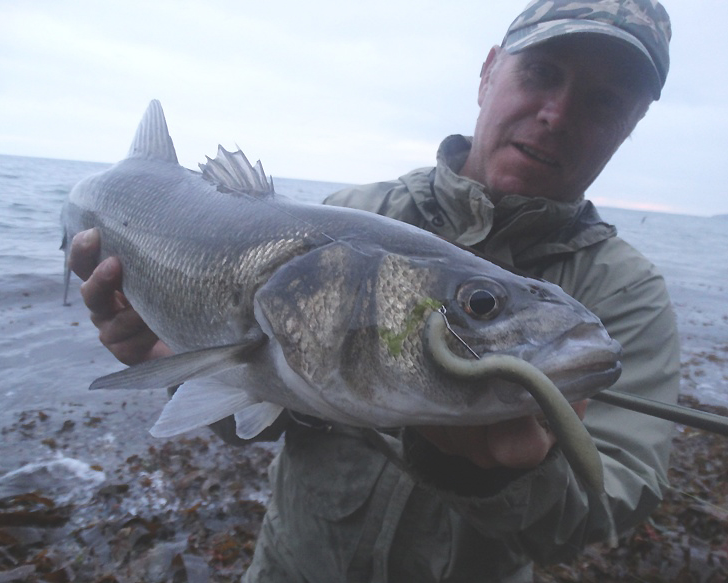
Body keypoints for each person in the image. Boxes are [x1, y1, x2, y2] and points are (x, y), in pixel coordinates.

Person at [69, 1, 680, 580]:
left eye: (603, 101)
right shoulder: (352, 214)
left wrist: (507, 477)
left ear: (632, 126)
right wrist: (170, 362)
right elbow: (274, 413)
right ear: (489, 72)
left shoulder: (628, 297)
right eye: (542, 73)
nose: (557, 115)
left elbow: (601, 514)